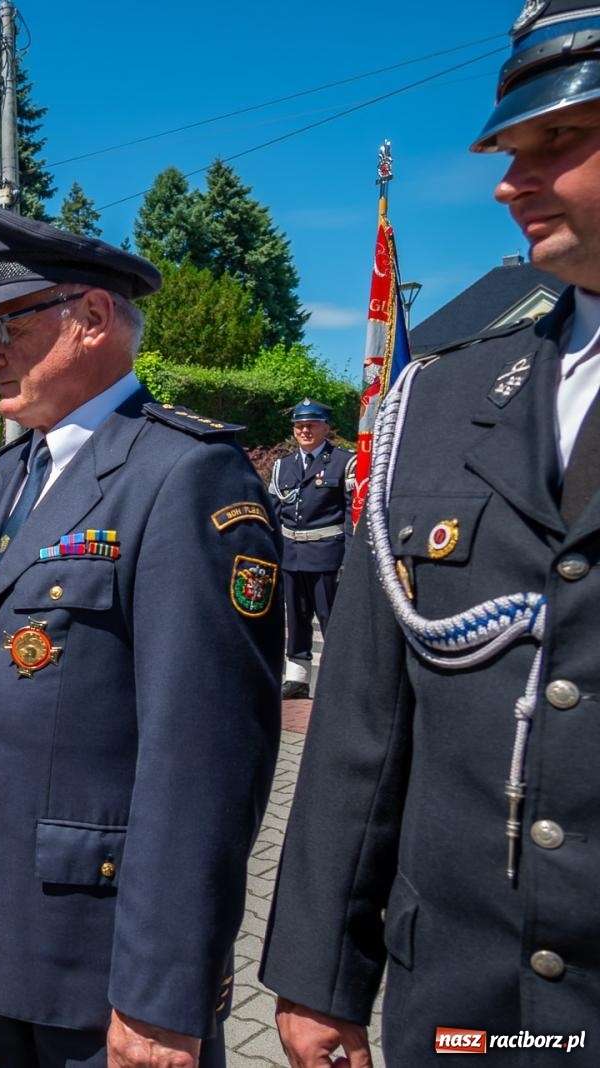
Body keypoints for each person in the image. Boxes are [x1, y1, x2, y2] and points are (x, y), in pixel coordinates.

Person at [264, 4, 600, 1064]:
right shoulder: (442, 396)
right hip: (464, 998)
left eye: (559, 140)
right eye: (509, 149)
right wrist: (320, 972)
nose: (510, 181)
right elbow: (366, 709)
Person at [0, 206, 282, 1067]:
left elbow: (205, 764)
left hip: (99, 965)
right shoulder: (5, 479)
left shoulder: (183, 474)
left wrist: (162, 994)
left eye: (10, 325)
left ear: (93, 320)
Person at [267, 399, 354, 699]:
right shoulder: (282, 466)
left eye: (311, 425)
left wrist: (351, 555)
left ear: (325, 427)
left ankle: (341, 678)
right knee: (297, 617)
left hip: (328, 554)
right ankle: (298, 677)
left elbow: (351, 513)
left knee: (332, 618)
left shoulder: (344, 462)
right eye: (300, 425)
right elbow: (274, 512)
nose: (305, 430)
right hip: (291, 554)